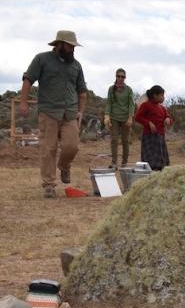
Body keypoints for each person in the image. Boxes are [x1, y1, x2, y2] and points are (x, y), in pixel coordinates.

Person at [19, 30, 87, 198]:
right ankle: (49, 185)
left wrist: (81, 112)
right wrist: (23, 102)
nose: (72, 49)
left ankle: (64, 166)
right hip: (48, 111)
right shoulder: (42, 59)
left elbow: (82, 91)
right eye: (70, 45)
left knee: (72, 146)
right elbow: (28, 79)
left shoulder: (76, 65)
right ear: (59, 44)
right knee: (48, 149)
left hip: (70, 112)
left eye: (73, 46)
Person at [134, 85, 172, 171]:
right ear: (155, 95)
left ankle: (159, 172)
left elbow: (169, 117)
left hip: (160, 137)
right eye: (162, 95)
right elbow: (137, 117)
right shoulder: (146, 105)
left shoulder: (162, 108)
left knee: (161, 161)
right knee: (150, 161)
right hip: (149, 137)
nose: (163, 97)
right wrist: (148, 123)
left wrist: (168, 119)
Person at [103, 68, 135, 167]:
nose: (120, 78)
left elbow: (131, 104)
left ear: (125, 78)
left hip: (125, 118)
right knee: (114, 140)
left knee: (125, 140)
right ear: (116, 76)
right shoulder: (111, 89)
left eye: (123, 77)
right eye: (119, 76)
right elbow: (109, 103)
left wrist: (130, 117)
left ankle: (124, 162)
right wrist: (107, 115)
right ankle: (114, 162)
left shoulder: (129, 89)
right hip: (114, 117)